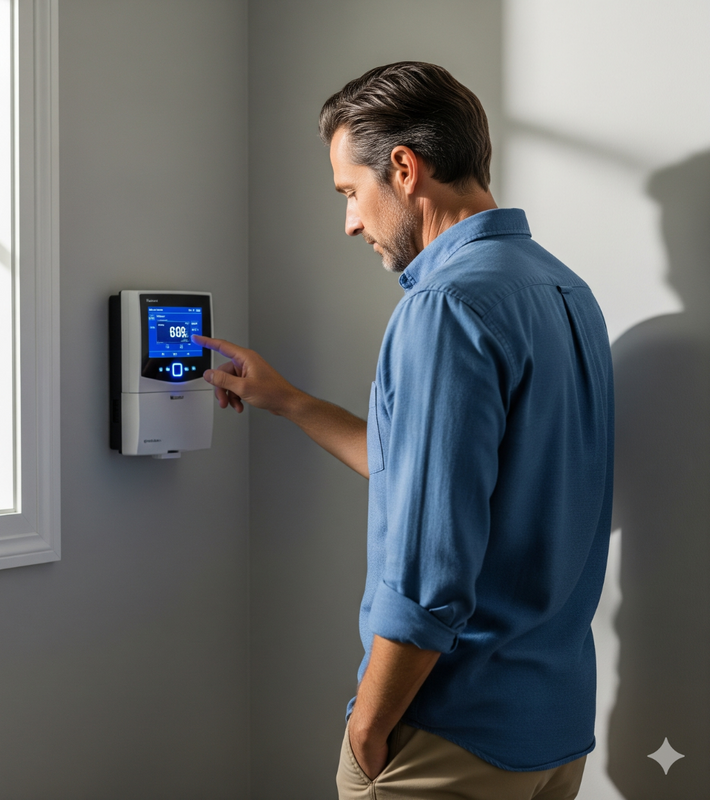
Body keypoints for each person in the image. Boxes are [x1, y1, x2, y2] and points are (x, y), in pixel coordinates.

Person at [193, 62, 614, 800]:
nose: (351, 222)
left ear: (404, 168)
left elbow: (428, 567)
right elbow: (438, 480)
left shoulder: (446, 306)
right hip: (553, 731)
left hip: (451, 730)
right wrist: (286, 400)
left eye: (349, 193)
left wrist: (370, 722)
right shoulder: (565, 291)